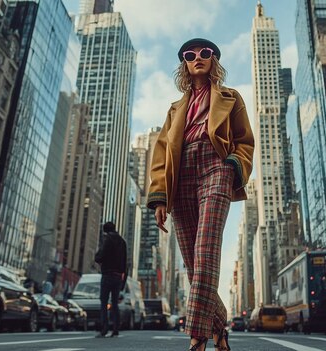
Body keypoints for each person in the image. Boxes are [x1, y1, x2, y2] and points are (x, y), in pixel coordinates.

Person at [147, 38, 254, 351]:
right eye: (190, 55)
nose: (197, 58)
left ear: (213, 60)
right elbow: (162, 153)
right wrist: (160, 198)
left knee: (207, 249)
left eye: (205, 53)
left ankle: (197, 339)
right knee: (195, 267)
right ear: (184, 63)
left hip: (216, 166)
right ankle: (220, 328)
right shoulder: (174, 109)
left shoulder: (231, 97)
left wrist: (234, 166)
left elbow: (245, 141)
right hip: (181, 176)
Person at [94, 221, 127, 338]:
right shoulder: (122, 242)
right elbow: (125, 262)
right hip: (118, 276)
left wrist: (97, 258)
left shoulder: (107, 239)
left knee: (104, 302)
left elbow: (101, 256)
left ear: (105, 230)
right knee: (115, 303)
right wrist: (123, 281)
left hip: (108, 274)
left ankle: (104, 329)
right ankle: (116, 329)